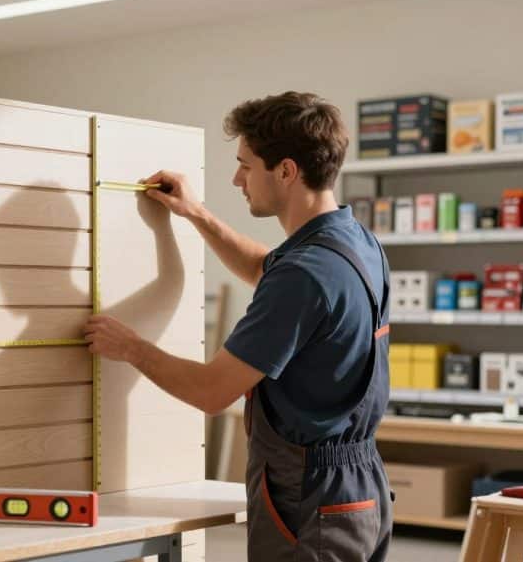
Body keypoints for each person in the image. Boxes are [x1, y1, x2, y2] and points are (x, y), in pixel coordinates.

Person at [83, 91, 393, 561]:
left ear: (286, 171)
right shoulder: (352, 242)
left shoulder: (304, 274)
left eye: (246, 165)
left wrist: (131, 347)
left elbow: (212, 391)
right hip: (355, 488)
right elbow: (262, 268)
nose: (236, 178)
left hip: (311, 501)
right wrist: (198, 215)